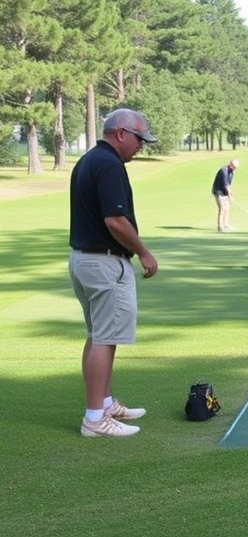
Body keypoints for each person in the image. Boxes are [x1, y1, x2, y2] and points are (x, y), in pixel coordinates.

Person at [68, 108, 159, 438]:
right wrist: (144, 253)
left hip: (85, 260)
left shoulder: (90, 160)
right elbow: (115, 221)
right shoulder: (108, 165)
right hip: (103, 262)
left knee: (99, 336)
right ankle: (95, 418)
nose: (141, 146)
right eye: (139, 139)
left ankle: (103, 404)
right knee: (104, 338)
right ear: (121, 133)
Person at [211, 158, 240, 232]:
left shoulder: (231, 172)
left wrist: (231, 193)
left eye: (235, 167)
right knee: (222, 208)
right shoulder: (224, 170)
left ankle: (226, 225)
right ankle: (220, 226)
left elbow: (229, 184)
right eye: (234, 166)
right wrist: (229, 195)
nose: (234, 168)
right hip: (218, 191)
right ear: (230, 164)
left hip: (224, 192)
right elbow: (225, 184)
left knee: (227, 208)